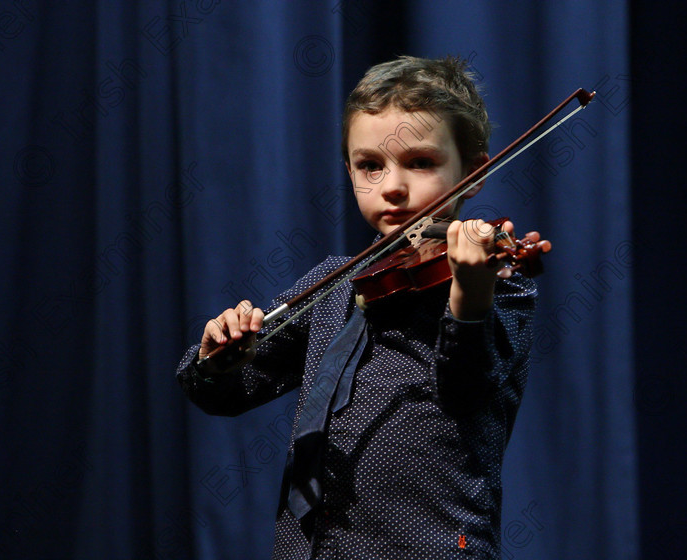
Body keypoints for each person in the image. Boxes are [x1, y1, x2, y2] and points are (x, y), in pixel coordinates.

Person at [176, 55, 550, 560]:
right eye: (370, 165)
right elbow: (222, 394)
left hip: (433, 546)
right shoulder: (337, 282)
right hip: (310, 549)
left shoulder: (501, 285)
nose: (392, 186)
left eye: (420, 162)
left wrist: (469, 295)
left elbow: (468, 392)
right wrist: (220, 353)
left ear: (475, 172)